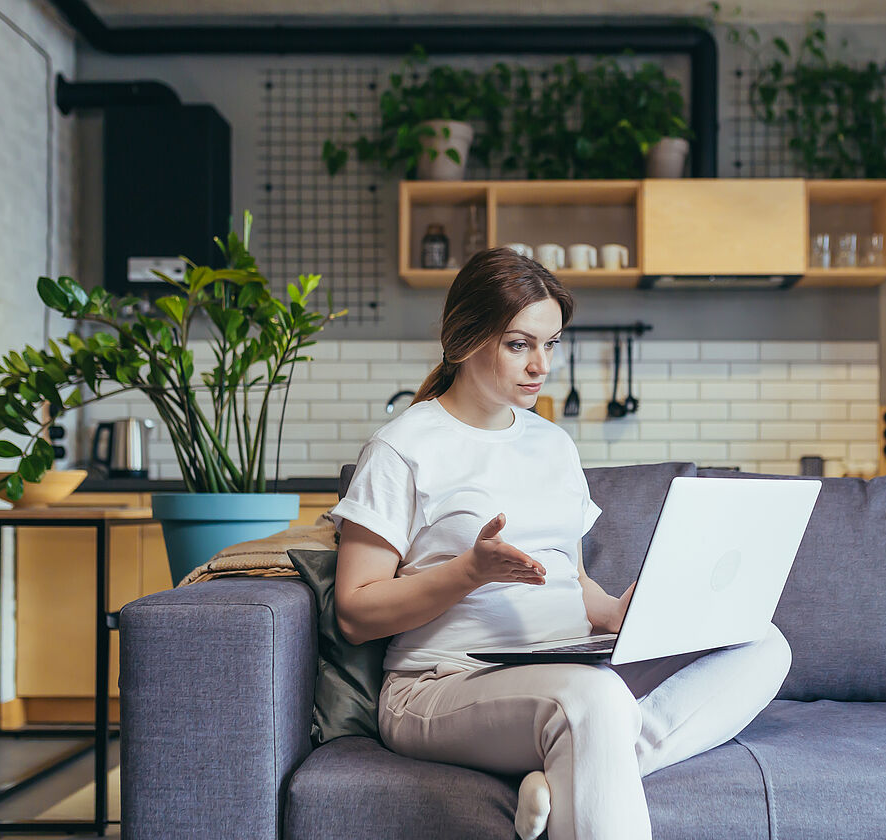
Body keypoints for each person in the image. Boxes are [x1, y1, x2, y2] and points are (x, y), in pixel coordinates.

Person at [327, 247, 791, 840]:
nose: (540, 365)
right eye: (520, 344)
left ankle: (571, 770)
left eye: (552, 343)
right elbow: (354, 613)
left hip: (563, 660)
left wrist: (626, 614)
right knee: (592, 699)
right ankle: (585, 754)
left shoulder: (554, 445)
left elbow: (571, 581)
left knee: (761, 642)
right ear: (465, 339)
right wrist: (469, 572)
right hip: (437, 683)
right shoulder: (403, 447)